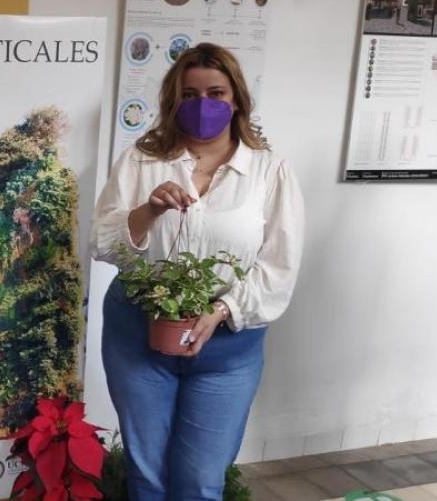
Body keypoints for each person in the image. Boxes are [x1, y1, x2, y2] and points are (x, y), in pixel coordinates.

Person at [90, 43, 304, 500]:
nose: (202, 105)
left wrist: (222, 309)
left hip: (227, 349)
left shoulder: (269, 171)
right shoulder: (141, 161)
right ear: (173, 100)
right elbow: (101, 242)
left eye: (216, 93)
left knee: (202, 479)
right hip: (138, 336)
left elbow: (279, 264)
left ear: (237, 101)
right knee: (147, 473)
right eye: (189, 94)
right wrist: (147, 210)